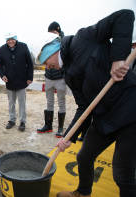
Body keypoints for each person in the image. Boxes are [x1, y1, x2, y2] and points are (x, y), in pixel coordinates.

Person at [38, 9, 135, 197]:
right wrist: (68, 137)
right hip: (104, 117)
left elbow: (125, 16)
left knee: (123, 174)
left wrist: (118, 58)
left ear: (53, 49)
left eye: (44, 59)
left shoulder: (84, 38)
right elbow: (84, 107)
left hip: (129, 111)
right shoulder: (68, 74)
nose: (45, 65)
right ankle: (82, 193)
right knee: (84, 156)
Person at [0, 33, 34, 131]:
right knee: (11, 102)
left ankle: (22, 122)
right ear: (6, 40)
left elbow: (30, 63)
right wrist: (2, 75)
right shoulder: (2, 49)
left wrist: (30, 77)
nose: (10, 41)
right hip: (9, 80)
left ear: (16, 39)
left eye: (12, 39)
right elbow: (0, 65)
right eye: (8, 39)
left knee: (22, 102)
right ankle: (12, 120)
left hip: (22, 80)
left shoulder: (23, 46)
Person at [37, 22, 67, 138]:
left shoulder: (64, 42)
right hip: (48, 77)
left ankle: (60, 129)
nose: (52, 34)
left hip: (60, 77)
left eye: (54, 32)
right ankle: (48, 126)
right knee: (49, 102)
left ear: (58, 31)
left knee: (61, 102)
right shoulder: (46, 43)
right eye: (50, 32)